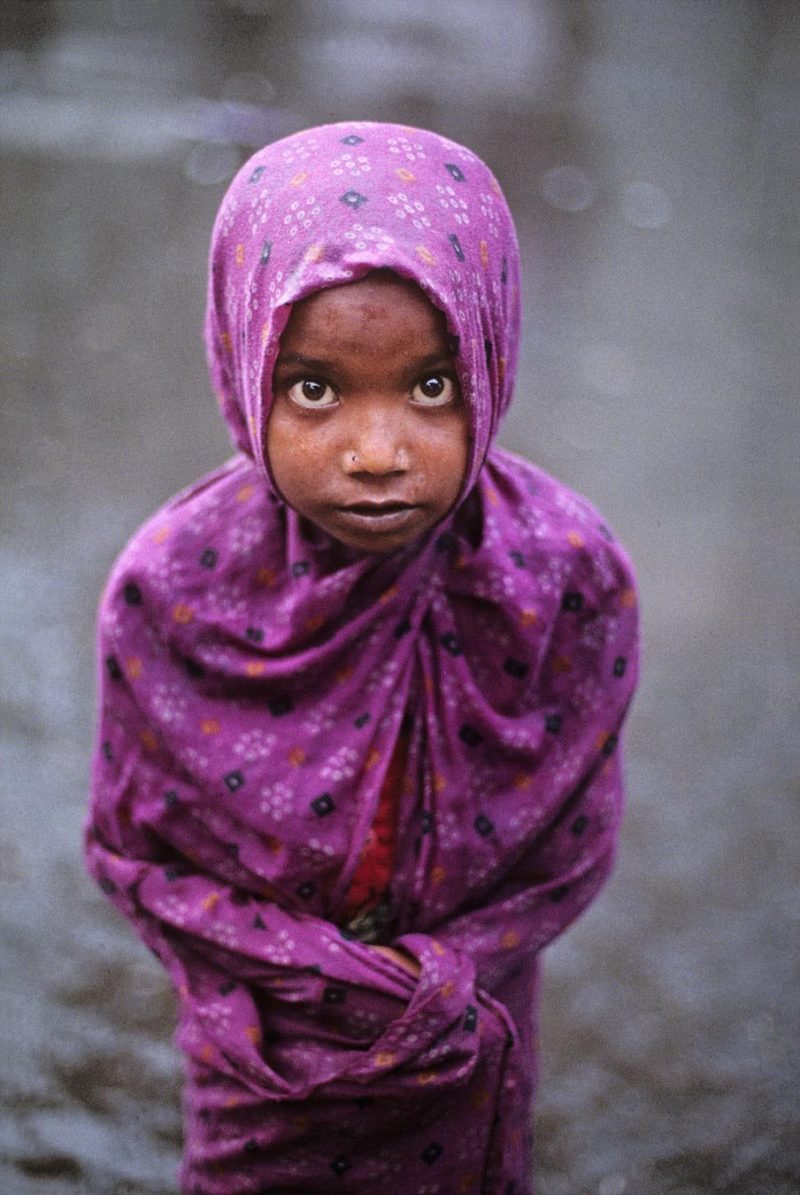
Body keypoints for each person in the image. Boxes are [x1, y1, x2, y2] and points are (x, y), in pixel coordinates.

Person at [85, 121, 639, 1195]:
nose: (377, 451)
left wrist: (440, 989)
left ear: (488, 352)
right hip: (260, 1044)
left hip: (464, 1041)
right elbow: (138, 854)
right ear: (245, 365)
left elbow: (570, 846)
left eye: (430, 387)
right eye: (315, 389)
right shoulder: (175, 587)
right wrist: (328, 984)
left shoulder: (565, 574)